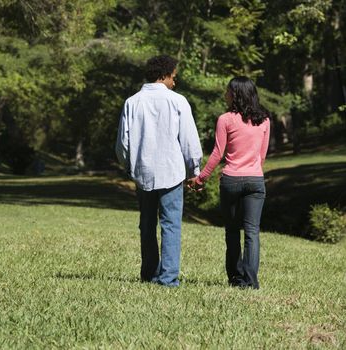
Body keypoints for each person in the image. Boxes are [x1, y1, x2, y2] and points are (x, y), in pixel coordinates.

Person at [115, 55, 202, 287]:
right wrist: (194, 168)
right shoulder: (178, 101)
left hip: (143, 172)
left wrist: (129, 167)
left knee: (146, 224)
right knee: (171, 224)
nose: (175, 82)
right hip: (171, 172)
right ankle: (168, 278)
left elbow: (122, 144)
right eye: (174, 77)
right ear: (164, 75)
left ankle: (149, 273)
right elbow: (189, 141)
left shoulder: (132, 102)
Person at [189, 76, 270, 289]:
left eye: (227, 91)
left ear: (235, 94)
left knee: (232, 231)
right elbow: (262, 156)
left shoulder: (225, 119)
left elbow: (217, 154)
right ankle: (251, 281)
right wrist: (252, 169)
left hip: (231, 181)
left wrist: (201, 178)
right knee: (252, 232)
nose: (225, 94)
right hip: (255, 180)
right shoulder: (264, 120)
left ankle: (235, 279)